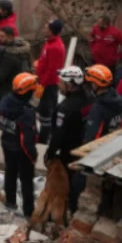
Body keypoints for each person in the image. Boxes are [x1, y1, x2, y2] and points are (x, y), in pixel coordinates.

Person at [46, 66, 93, 214]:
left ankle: (66, 211)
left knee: (66, 185)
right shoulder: (90, 98)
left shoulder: (65, 108)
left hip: (68, 153)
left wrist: (50, 154)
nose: (59, 85)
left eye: (61, 82)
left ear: (70, 85)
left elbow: (58, 135)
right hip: (85, 149)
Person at [0, 72, 40, 219]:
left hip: (7, 143)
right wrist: (33, 155)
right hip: (22, 151)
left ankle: (10, 203)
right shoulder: (26, 113)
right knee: (27, 182)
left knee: (10, 174)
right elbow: (27, 139)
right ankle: (28, 212)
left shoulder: (5, 101)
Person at [0, 26, 31, 110]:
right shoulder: (23, 50)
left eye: (2, 36)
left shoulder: (9, 55)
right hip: (22, 89)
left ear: (10, 37)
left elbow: (0, 76)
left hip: (7, 90)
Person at [36, 19, 67, 144]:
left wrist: (41, 85)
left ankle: (44, 140)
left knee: (46, 114)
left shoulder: (55, 47)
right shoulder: (49, 42)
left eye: (46, 28)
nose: (44, 29)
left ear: (52, 31)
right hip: (44, 83)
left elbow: (52, 70)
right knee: (43, 111)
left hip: (48, 86)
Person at [85, 64, 122, 141]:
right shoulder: (121, 100)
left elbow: (91, 135)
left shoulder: (98, 108)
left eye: (91, 83)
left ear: (95, 84)